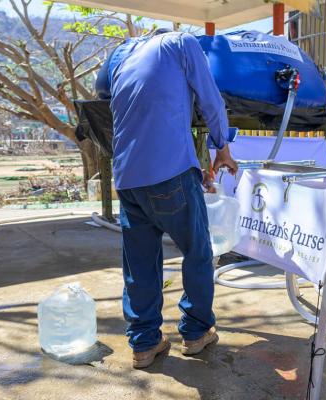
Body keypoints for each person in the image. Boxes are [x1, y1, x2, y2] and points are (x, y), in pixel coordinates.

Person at [107, 30, 238, 369]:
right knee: (197, 252)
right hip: (169, 174)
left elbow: (114, 96)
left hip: (127, 178)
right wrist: (222, 146)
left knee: (139, 263)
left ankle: (144, 344)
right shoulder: (181, 42)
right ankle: (195, 333)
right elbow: (209, 98)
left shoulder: (122, 54)